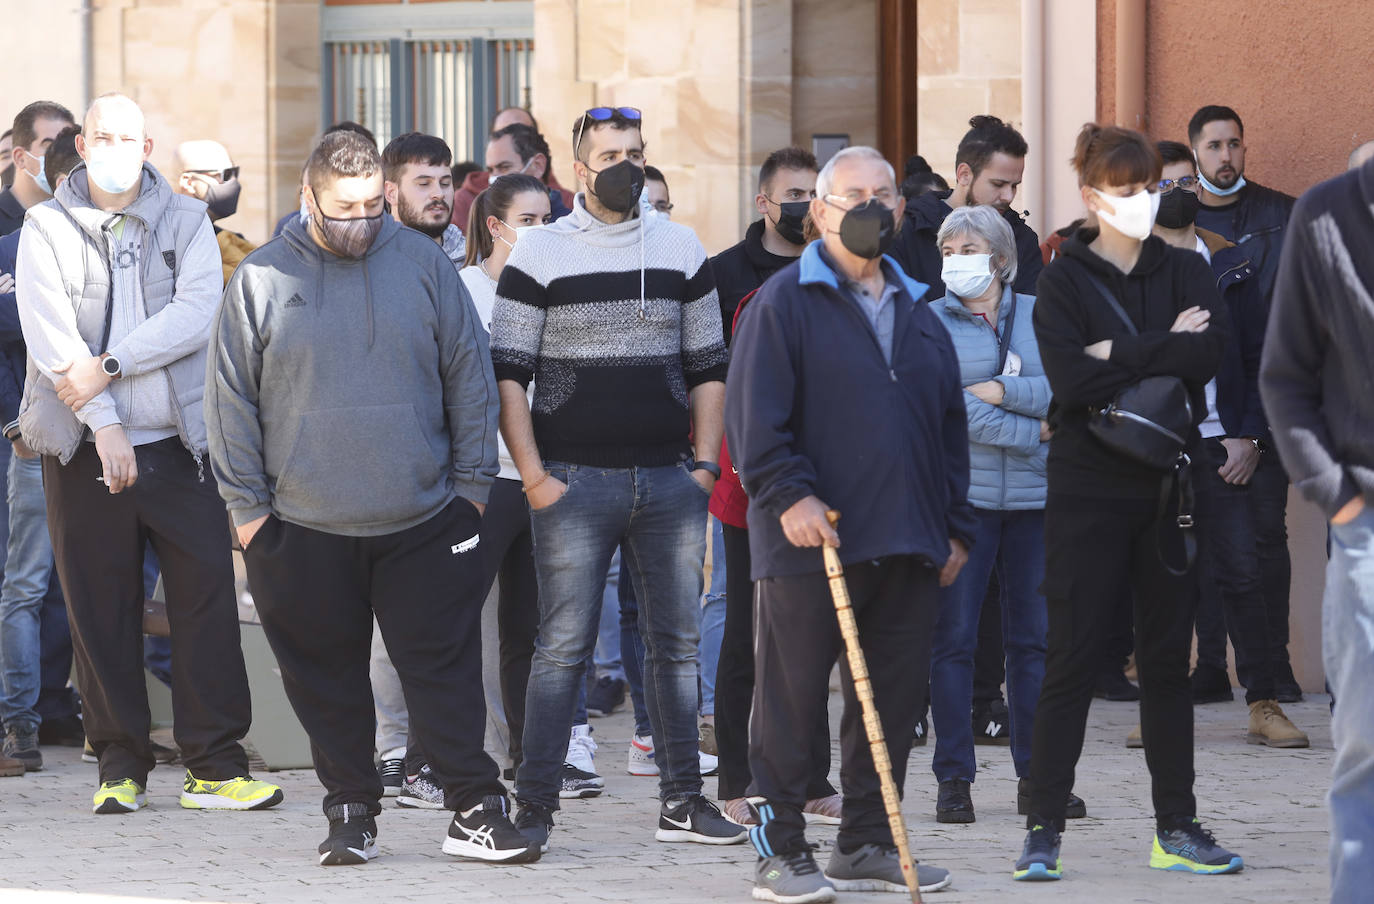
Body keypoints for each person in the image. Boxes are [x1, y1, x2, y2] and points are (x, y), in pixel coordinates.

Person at [207, 128, 537, 866]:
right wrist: (249, 514)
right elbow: (228, 401)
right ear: (308, 198)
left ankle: (475, 809)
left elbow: (469, 377)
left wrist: (471, 491)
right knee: (326, 680)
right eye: (343, 208)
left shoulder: (423, 264)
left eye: (370, 207)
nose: (359, 222)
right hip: (300, 525)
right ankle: (351, 810)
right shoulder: (259, 278)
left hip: (425, 519)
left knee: (444, 673)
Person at [14, 92, 281, 816]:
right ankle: (119, 766)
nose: (115, 149)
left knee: (206, 603)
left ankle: (214, 767)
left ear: (148, 146)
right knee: (100, 610)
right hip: (82, 447)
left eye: (127, 138)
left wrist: (110, 365)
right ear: (81, 144)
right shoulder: (45, 225)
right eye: (102, 136)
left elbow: (196, 315)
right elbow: (50, 335)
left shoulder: (189, 219)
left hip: (179, 443)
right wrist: (103, 421)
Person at [490, 106, 741, 852]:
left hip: (669, 481)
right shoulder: (540, 252)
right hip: (572, 483)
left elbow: (709, 366)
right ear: (578, 170)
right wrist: (534, 477)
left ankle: (682, 802)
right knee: (561, 649)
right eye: (608, 155)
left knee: (675, 648)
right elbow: (508, 375)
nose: (623, 166)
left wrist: (704, 465)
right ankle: (534, 809)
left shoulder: (680, 246)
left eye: (634, 152)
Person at [727, 145, 962, 900]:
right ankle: (781, 851)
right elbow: (753, 421)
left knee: (889, 703)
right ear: (820, 212)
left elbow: (948, 428)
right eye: (851, 194)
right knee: (791, 703)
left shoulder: (921, 309)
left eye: (881, 194)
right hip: (810, 539)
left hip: (907, 539)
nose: (868, 206)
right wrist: (789, 495)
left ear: (900, 208)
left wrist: (954, 527)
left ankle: (864, 843)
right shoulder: (783, 303)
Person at [1014, 123, 1240, 881]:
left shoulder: (1186, 269)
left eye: (1152, 187)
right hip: (1086, 486)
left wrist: (1116, 350)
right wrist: (1158, 345)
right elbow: (1072, 382)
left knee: (1168, 661)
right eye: (1127, 189)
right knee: (1072, 658)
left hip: (1169, 482)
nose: (1144, 200)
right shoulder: (1063, 279)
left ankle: (1176, 826)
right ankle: (1043, 828)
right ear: (1090, 195)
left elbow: (1208, 354)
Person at [925, 204, 1086, 827]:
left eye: (967, 249)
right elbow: (945, 406)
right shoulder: (929, 323)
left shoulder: (1043, 313)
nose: (955, 261)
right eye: (947, 251)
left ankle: (1039, 779)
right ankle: (953, 779)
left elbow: (1071, 388)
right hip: (961, 504)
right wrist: (1034, 430)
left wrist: (999, 390)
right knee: (953, 643)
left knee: (1034, 644)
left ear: (999, 258)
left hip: (1036, 503)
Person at [1150, 140, 1308, 747]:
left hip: (1222, 446)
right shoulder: (1123, 270)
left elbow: (1258, 357)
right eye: (1164, 185)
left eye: (1185, 183)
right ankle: (1159, 708)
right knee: (1160, 582)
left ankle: (1264, 703)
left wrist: (1251, 438)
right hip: (1155, 448)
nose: (1178, 194)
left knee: (1243, 576)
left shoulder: (1230, 263)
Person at [706, 146, 840, 827]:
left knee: (812, 637)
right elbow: (709, 377)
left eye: (813, 193)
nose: (803, 206)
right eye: (792, 194)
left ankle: (812, 777)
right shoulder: (726, 277)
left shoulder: (838, 273)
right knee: (744, 636)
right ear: (764, 202)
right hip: (747, 481)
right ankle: (737, 778)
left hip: (824, 482)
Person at [1260, 152, 1374, 904]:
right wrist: (1341, 501)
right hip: (1368, 524)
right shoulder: (1327, 214)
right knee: (1366, 745)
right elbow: (1286, 377)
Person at [1187, 105, 1301, 702]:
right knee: (1204, 544)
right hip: (1202, 417)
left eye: (1234, 143)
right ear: (1195, 152)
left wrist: (1255, 432)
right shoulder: (1176, 227)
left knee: (1265, 538)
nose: (1225, 155)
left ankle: (1274, 671)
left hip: (1269, 394)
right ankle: (1210, 667)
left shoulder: (1282, 214)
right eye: (1214, 146)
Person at [0, 125, 85, 773]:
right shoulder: (16, 248)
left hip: (110, 440)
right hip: (39, 438)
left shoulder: (127, 250)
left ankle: (100, 726)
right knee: (28, 585)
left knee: (94, 588)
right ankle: (19, 723)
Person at [891, 115, 1043, 299]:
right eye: (998, 184)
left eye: (1014, 186)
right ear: (964, 175)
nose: (1008, 196)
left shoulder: (1022, 239)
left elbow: (1029, 310)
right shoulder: (906, 231)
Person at [451, 124, 573, 233]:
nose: (494, 178)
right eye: (491, 170)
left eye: (504, 167)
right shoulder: (480, 210)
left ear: (537, 165)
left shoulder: (568, 227)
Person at [272, 121, 378, 238]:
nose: (361, 215)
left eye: (372, 205)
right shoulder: (288, 228)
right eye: (345, 206)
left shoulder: (387, 225)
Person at [171, 139, 254, 286]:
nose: (232, 182)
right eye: (223, 175)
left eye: (233, 173)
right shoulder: (162, 241)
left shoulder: (230, 241)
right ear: (188, 182)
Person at [0, 102, 76, 236]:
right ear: (20, 158)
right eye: (50, 146)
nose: (62, 155)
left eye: (67, 146)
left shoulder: (77, 215)